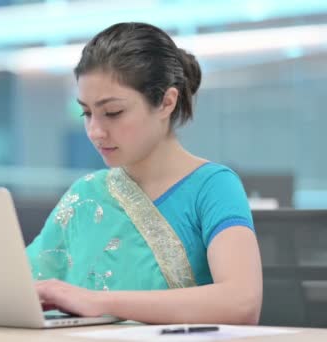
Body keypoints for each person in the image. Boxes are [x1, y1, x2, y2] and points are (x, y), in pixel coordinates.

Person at [25, 22, 262, 325]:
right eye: (87, 113)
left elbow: (242, 302)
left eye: (112, 113)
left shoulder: (213, 186)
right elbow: (17, 288)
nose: (95, 131)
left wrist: (99, 302)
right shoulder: (85, 195)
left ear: (166, 102)